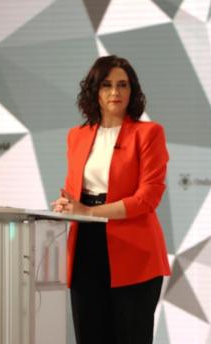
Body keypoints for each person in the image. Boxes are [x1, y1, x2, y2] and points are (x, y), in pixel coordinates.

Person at [51, 55, 171, 344]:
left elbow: (147, 198)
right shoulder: (76, 136)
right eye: (106, 85)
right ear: (94, 91)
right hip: (84, 251)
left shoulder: (149, 133)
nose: (115, 93)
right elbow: (73, 189)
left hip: (135, 255)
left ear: (133, 91)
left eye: (122, 85)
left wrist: (89, 212)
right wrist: (67, 205)